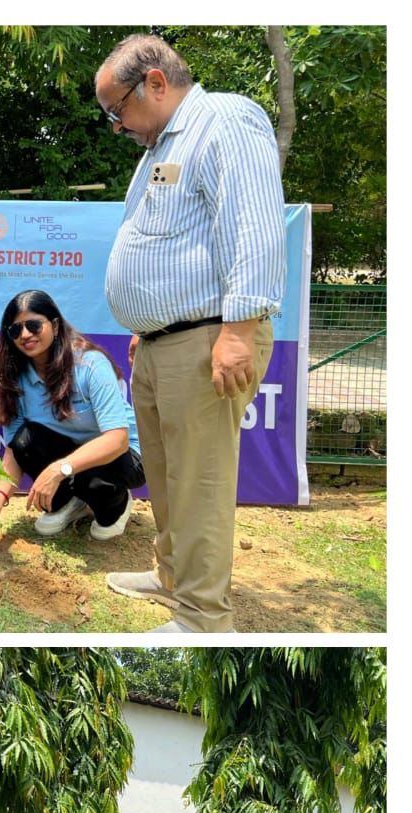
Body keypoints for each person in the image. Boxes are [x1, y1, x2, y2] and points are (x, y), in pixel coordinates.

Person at [96, 33, 286, 633]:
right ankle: (173, 575)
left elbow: (253, 229)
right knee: (168, 470)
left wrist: (236, 331)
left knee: (199, 480)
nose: (117, 124)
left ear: (154, 82)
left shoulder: (223, 121)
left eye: (116, 108)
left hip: (209, 339)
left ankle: (204, 617)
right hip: (165, 342)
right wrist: (149, 329)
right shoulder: (162, 144)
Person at [0, 290, 144, 542]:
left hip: (125, 455)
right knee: (24, 441)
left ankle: (117, 506)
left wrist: (61, 468)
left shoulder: (90, 365)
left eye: (33, 325)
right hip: (73, 455)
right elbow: (14, 451)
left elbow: (117, 439)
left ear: (55, 325)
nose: (25, 335)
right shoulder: (17, 379)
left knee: (91, 479)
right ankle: (70, 503)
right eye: (15, 330)